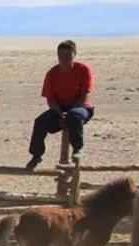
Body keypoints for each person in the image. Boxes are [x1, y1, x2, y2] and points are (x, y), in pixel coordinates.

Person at [26, 39, 94, 170]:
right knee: (40, 122)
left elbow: (84, 95)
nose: (64, 59)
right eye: (61, 55)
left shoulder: (83, 70)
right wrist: (60, 113)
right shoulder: (52, 74)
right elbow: (50, 99)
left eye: (68, 55)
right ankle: (36, 155)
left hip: (80, 107)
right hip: (59, 108)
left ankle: (77, 150)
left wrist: (69, 113)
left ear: (74, 54)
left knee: (74, 117)